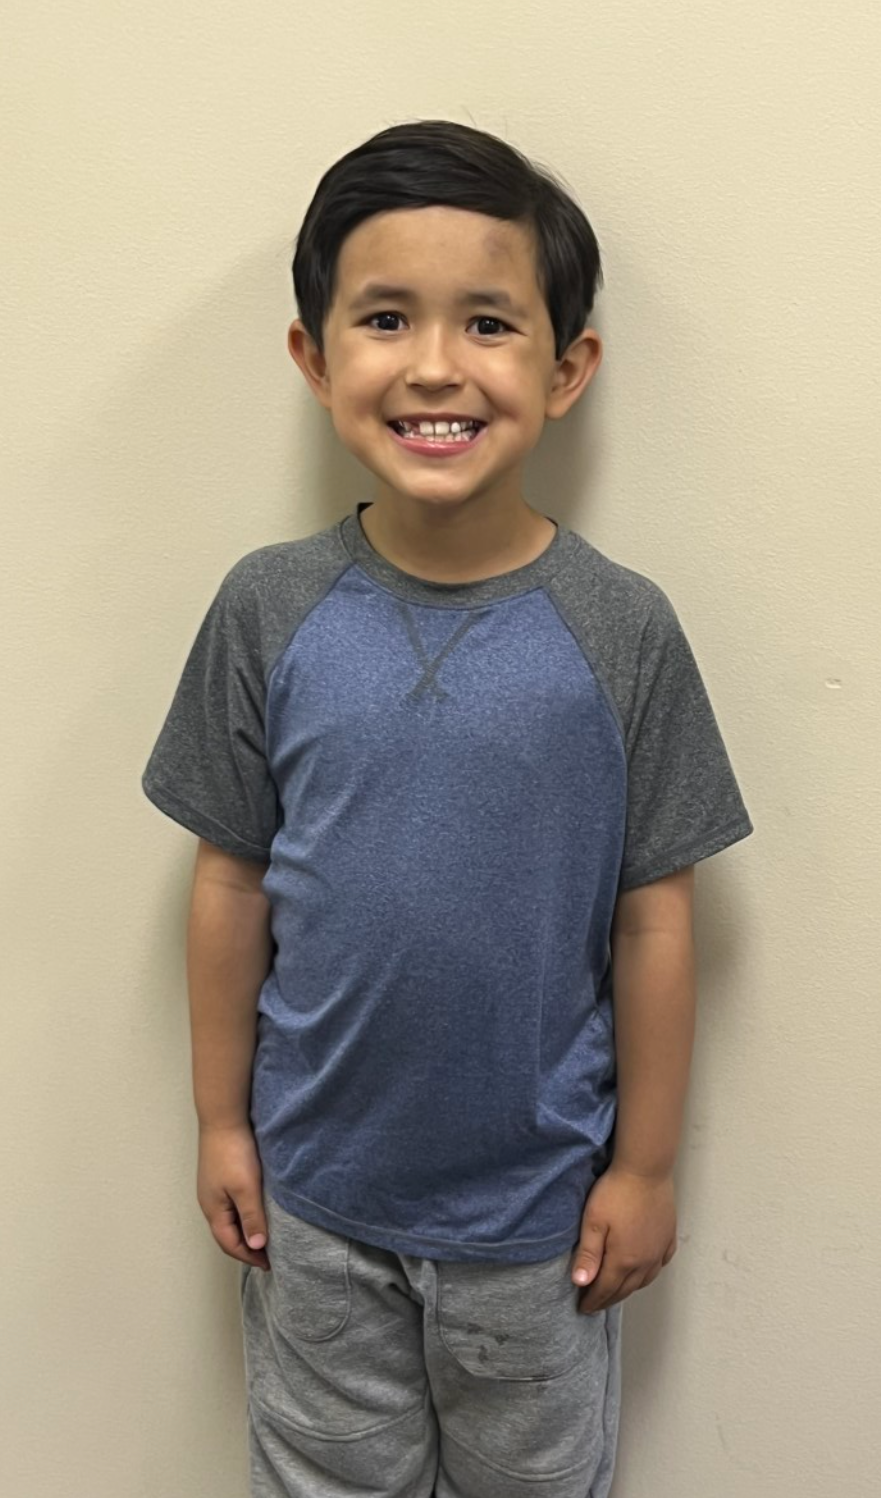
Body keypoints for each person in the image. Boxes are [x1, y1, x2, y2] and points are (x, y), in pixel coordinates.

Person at [142, 118, 753, 1498]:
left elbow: (658, 918)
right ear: (313, 356)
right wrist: (217, 1120)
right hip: (313, 1200)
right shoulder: (267, 607)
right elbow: (230, 879)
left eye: (488, 320)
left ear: (567, 365)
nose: (433, 364)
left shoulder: (624, 629)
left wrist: (647, 1164)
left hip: (539, 1222)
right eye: (383, 318)